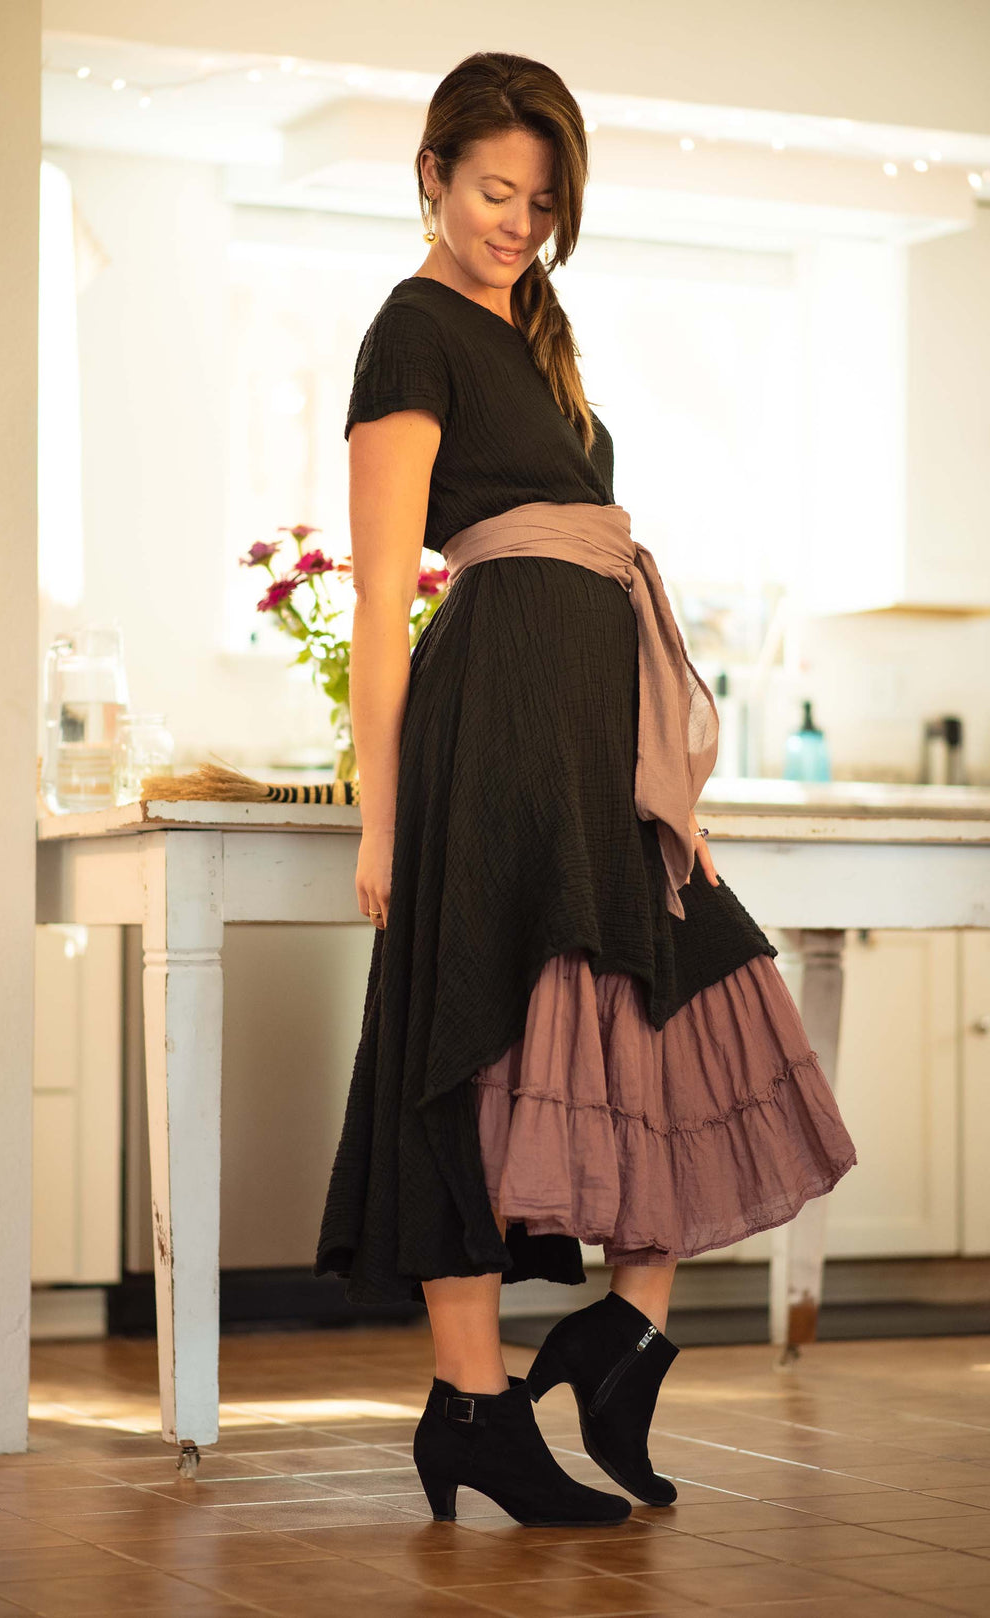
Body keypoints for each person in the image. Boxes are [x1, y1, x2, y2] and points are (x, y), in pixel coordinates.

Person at [314, 50, 858, 1529]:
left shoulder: (549, 345)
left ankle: (616, 1340)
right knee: (468, 1028)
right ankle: (475, 1406)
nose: (517, 222)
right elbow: (378, 598)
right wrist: (384, 810)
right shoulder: (408, 335)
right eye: (494, 190)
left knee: (689, 991)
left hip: (593, 734)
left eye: (542, 202)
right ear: (429, 176)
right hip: (488, 726)